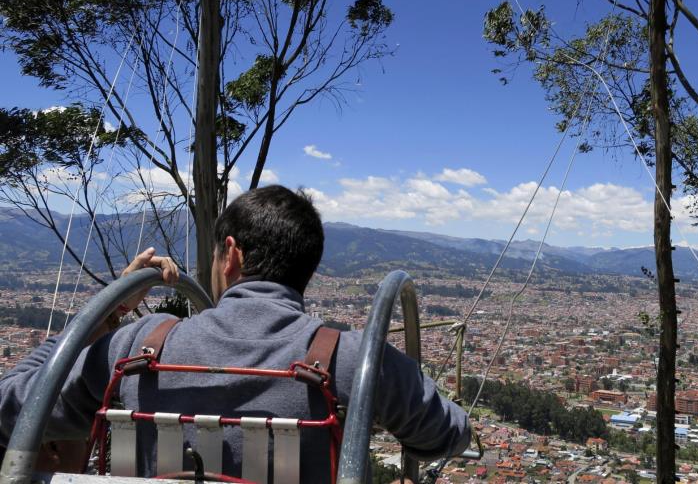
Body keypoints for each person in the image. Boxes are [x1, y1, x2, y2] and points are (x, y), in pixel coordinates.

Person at [0, 185, 471, 481]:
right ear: (307, 267)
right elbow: (448, 436)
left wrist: (107, 313)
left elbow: (11, 407)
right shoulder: (355, 360)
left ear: (231, 255)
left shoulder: (136, 345)